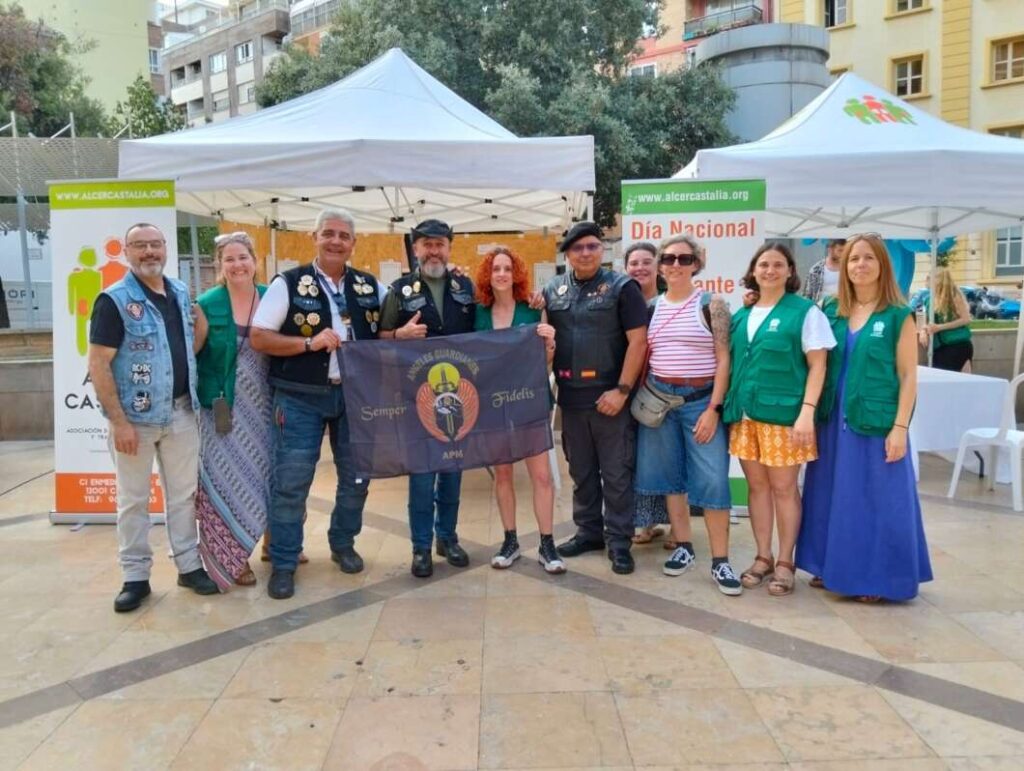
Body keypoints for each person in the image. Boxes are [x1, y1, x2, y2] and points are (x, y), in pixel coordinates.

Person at [250, 208, 381, 600]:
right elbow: (259, 337)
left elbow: (391, 326)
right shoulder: (288, 283)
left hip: (354, 397)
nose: (336, 241)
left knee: (357, 478)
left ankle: (343, 543)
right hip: (299, 397)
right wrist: (308, 343)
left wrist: (403, 332)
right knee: (291, 483)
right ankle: (284, 561)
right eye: (329, 234)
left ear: (353, 243)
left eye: (343, 235)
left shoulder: (369, 286)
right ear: (315, 238)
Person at [88, 223, 218, 612]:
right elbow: (98, 362)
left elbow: (193, 337)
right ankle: (135, 577)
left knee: (183, 496)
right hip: (135, 421)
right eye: (140, 245)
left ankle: (188, 566)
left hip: (181, 412)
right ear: (127, 252)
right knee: (133, 501)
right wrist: (119, 422)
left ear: (165, 248)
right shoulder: (113, 301)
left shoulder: (179, 291)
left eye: (155, 245)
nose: (149, 252)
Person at [798, 235, 933, 602]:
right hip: (832, 420)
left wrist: (900, 428)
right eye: (854, 258)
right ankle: (828, 565)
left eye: (868, 258)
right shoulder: (830, 309)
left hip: (876, 422)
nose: (860, 264)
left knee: (877, 497)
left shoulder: (898, 315)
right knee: (831, 495)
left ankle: (876, 578)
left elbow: (908, 375)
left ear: (882, 264)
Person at [723, 242, 835, 597]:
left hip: (785, 416)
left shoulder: (805, 313)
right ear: (753, 271)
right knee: (757, 488)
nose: (769, 270)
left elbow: (818, 365)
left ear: (790, 271)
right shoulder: (743, 314)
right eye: (763, 265)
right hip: (745, 415)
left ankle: (786, 561)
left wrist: (807, 412)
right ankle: (763, 556)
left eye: (777, 265)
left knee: (784, 489)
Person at [634, 235, 741, 595]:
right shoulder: (650, 308)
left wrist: (714, 408)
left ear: (696, 263)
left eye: (683, 258)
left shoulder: (713, 305)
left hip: (700, 401)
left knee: (713, 480)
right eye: (668, 258)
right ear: (660, 265)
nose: (675, 265)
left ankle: (721, 560)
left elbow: (724, 359)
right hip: (659, 401)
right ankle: (684, 547)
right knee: (671, 478)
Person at [543, 221, 648, 575]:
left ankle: (619, 541)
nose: (585, 253)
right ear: (567, 254)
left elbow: (638, 342)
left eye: (592, 246)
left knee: (616, 474)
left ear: (602, 250)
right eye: (578, 248)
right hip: (571, 398)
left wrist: (622, 391)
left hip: (610, 397)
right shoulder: (552, 289)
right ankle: (588, 532)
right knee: (582, 471)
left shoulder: (622, 288)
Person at [379, 219, 477, 578]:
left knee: (452, 472)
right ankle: (421, 547)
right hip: (416, 396)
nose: (434, 251)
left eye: (440, 244)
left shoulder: (466, 287)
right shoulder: (399, 291)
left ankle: (447, 538)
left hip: (459, 395)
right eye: (427, 244)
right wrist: (400, 334)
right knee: (422, 476)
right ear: (416, 249)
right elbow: (380, 337)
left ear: (449, 248)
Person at [473, 246, 564, 573]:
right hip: (493, 405)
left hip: (529, 401)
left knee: (541, 476)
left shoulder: (533, 308)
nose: (501, 274)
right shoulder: (478, 313)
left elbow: (546, 360)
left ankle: (547, 544)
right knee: (503, 475)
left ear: (516, 275)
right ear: (488, 275)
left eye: (507, 269)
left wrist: (550, 342)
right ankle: (510, 540)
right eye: (496, 268)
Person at [191, 232, 270, 590]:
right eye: (229, 259)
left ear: (255, 260)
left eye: (243, 257)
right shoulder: (206, 304)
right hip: (223, 410)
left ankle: (272, 543)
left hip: (265, 408)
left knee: (267, 477)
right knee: (224, 481)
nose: (237, 265)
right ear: (219, 265)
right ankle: (231, 557)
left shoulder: (272, 297)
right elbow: (192, 354)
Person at [624, 241, 672, 547]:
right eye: (633, 263)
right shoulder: (622, 300)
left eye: (646, 262)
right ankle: (645, 523)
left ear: (658, 267)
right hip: (631, 390)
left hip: (662, 392)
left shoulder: (668, 302)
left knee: (667, 458)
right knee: (638, 459)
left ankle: (677, 526)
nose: (639, 268)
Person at [919, 267, 973, 372]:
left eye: (930, 277)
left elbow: (966, 319)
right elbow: (926, 321)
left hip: (957, 345)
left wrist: (940, 327)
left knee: (957, 379)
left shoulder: (954, 297)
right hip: (939, 347)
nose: (927, 280)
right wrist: (923, 331)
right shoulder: (928, 300)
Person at [802, 238, 846, 303]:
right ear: (830, 249)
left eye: (845, 251)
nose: (843, 254)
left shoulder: (849, 268)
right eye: (840, 250)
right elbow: (807, 294)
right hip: (821, 307)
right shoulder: (816, 270)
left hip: (844, 306)